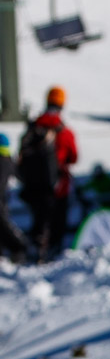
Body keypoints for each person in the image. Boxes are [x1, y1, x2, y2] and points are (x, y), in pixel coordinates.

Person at [18, 87, 77, 262]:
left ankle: (35, 248)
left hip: (33, 185)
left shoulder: (34, 127)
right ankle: (52, 252)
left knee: (38, 219)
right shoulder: (64, 132)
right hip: (58, 187)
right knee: (57, 221)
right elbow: (73, 157)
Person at [0, 135, 31, 263]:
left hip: (1, 199)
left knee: (3, 226)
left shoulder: (2, 161)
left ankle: (18, 248)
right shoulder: (8, 159)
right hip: (3, 198)